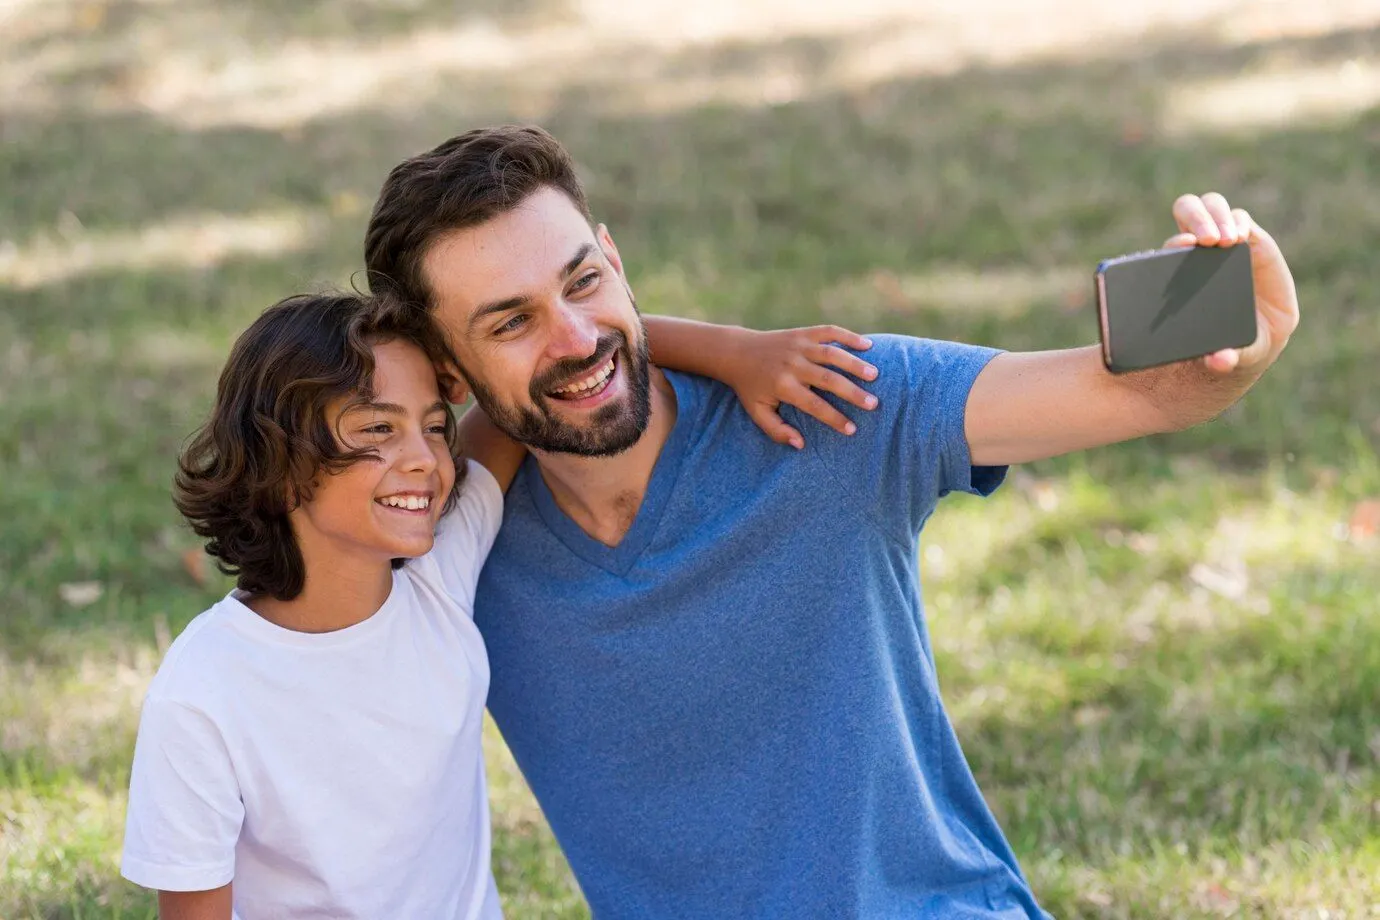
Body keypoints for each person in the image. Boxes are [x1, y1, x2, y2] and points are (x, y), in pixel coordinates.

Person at [363, 125, 1300, 918]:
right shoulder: (447, 547)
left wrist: (1237, 340)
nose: (574, 337)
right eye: (510, 323)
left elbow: (1135, 394)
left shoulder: (828, 408)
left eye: (581, 281)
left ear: (615, 260)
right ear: (446, 373)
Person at [119, 291, 876, 919]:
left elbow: (552, 373)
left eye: (434, 426)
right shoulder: (206, 693)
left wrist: (735, 352)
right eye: (378, 429)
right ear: (278, 464)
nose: (423, 458)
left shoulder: (437, 572)